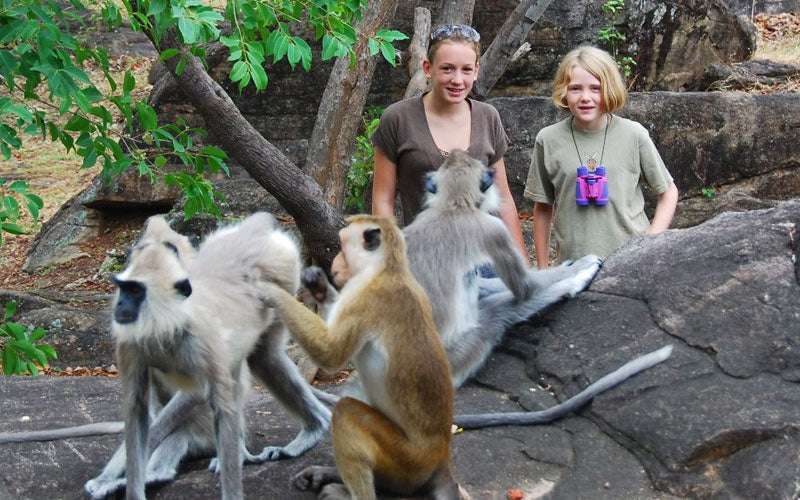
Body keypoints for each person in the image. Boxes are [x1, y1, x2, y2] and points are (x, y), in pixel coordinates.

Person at [371, 24, 529, 261]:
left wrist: (522, 263)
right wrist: (392, 260)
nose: (457, 80)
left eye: (466, 70)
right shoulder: (398, 118)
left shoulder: (488, 117)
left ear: (476, 71)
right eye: (447, 69)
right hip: (427, 259)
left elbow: (503, 198)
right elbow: (382, 199)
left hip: (489, 259)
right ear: (428, 68)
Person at [524, 45, 678, 268]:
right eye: (575, 88)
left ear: (610, 89)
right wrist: (543, 269)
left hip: (630, 263)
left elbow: (668, 191)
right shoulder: (547, 139)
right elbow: (543, 206)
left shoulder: (635, 135)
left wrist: (649, 244)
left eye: (596, 88)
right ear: (563, 91)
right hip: (572, 267)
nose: (585, 97)